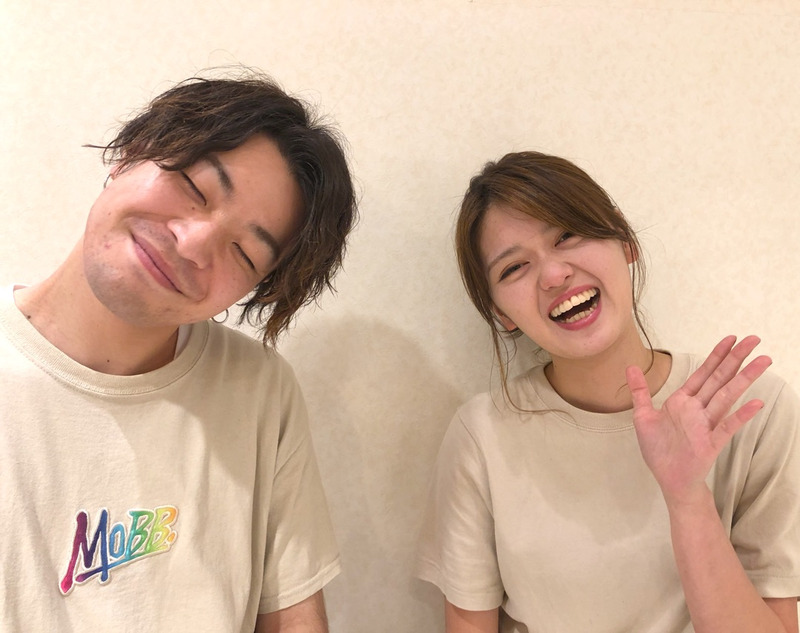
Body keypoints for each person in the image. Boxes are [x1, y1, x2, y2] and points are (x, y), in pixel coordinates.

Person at [0, 72, 357, 632]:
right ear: (130, 152)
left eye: (243, 252)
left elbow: (293, 616)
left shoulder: (258, 389)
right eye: (195, 187)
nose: (191, 244)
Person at [416, 151, 800, 632]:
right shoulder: (482, 436)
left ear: (624, 239)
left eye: (566, 235)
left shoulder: (750, 410)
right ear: (500, 313)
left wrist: (687, 498)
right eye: (513, 268)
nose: (554, 275)